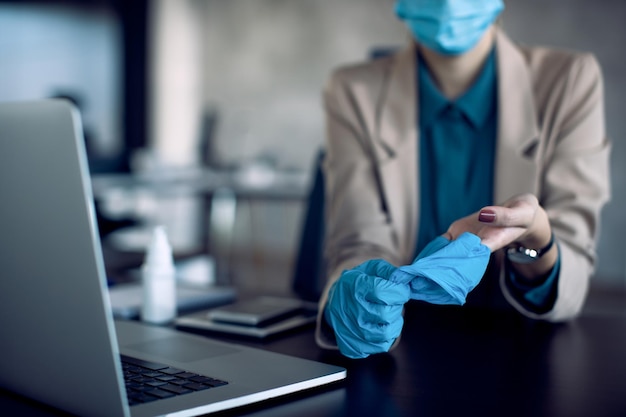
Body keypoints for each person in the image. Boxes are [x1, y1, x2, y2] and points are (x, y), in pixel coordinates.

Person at [316, 0, 611, 359]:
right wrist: (359, 299)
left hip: (527, 359)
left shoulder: (570, 81)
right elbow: (359, 241)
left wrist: (534, 241)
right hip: (403, 357)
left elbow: (574, 271)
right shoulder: (352, 91)